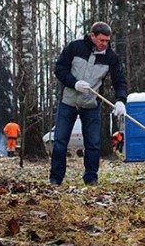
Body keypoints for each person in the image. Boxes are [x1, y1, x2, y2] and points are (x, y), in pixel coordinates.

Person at [49, 22, 128, 186]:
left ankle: (91, 178)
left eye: (107, 41)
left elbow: (119, 81)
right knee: (60, 142)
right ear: (92, 36)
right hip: (68, 102)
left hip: (91, 105)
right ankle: (56, 178)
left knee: (93, 143)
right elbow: (59, 69)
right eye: (101, 40)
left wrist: (121, 100)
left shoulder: (111, 57)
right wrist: (74, 83)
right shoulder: (75, 48)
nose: (104, 44)